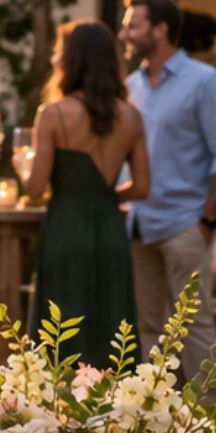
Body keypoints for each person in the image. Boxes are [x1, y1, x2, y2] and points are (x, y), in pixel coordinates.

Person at [26, 20, 149, 362]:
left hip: (65, 227)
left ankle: (58, 411)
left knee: (61, 330)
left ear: (71, 60)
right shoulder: (132, 117)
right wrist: (104, 193)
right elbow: (142, 187)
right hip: (110, 229)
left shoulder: (53, 114)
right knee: (112, 328)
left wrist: (25, 170)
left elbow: (36, 189)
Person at [120, 0, 216, 380]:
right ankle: (156, 423)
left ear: (160, 30)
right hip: (139, 227)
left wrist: (207, 222)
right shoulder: (129, 86)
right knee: (147, 328)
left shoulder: (205, 82)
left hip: (184, 225)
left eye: (133, 24)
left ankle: (208, 421)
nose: (125, 32)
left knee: (194, 327)